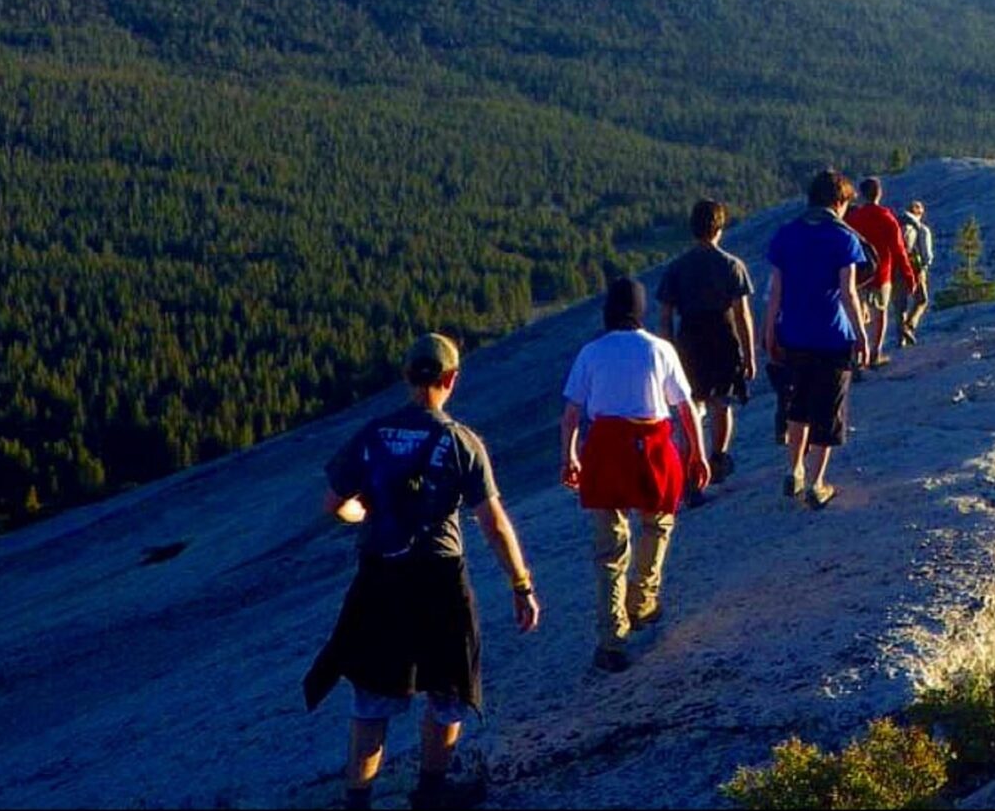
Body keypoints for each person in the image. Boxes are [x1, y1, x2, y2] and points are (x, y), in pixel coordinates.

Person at [306, 333, 541, 811]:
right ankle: (432, 791)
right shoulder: (461, 441)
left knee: (373, 695)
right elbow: (493, 522)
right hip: (439, 577)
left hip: (380, 576)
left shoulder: (373, 435)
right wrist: (521, 584)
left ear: (407, 376)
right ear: (451, 379)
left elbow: (334, 505)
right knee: (448, 685)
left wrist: (364, 514)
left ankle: (358, 799)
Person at [561, 277, 711, 673]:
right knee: (657, 523)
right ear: (640, 309)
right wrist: (697, 452)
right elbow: (685, 407)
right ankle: (642, 599)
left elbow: (572, 413)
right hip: (652, 445)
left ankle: (612, 640)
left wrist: (569, 456)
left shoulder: (591, 352)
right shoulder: (660, 349)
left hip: (606, 447)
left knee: (609, 551)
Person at [764, 170, 871, 509]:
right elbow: (849, 293)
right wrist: (862, 336)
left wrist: (768, 331)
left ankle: (794, 469)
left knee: (798, 406)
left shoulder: (786, 235)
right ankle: (816, 482)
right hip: (832, 336)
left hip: (793, 334)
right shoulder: (844, 239)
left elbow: (775, 292)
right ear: (839, 202)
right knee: (828, 410)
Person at [657, 199, 757, 498]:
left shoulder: (677, 268)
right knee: (721, 403)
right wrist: (749, 354)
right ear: (720, 228)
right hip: (723, 338)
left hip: (689, 341)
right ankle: (717, 456)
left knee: (691, 408)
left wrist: (668, 354)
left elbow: (664, 318)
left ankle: (691, 472)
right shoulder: (731, 265)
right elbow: (742, 315)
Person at [844, 176, 917, 368]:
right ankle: (875, 353)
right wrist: (909, 277)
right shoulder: (887, 217)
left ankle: (857, 356)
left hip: (857, 274)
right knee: (880, 313)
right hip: (881, 273)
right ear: (879, 194)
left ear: (861, 195)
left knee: (857, 314)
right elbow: (899, 250)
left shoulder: (853, 218)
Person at [896, 199, 934, 347]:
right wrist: (925, 266)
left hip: (896, 267)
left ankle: (901, 339)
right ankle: (909, 326)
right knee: (922, 299)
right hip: (914, 267)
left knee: (900, 304)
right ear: (919, 212)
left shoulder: (897, 224)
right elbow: (927, 254)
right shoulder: (921, 228)